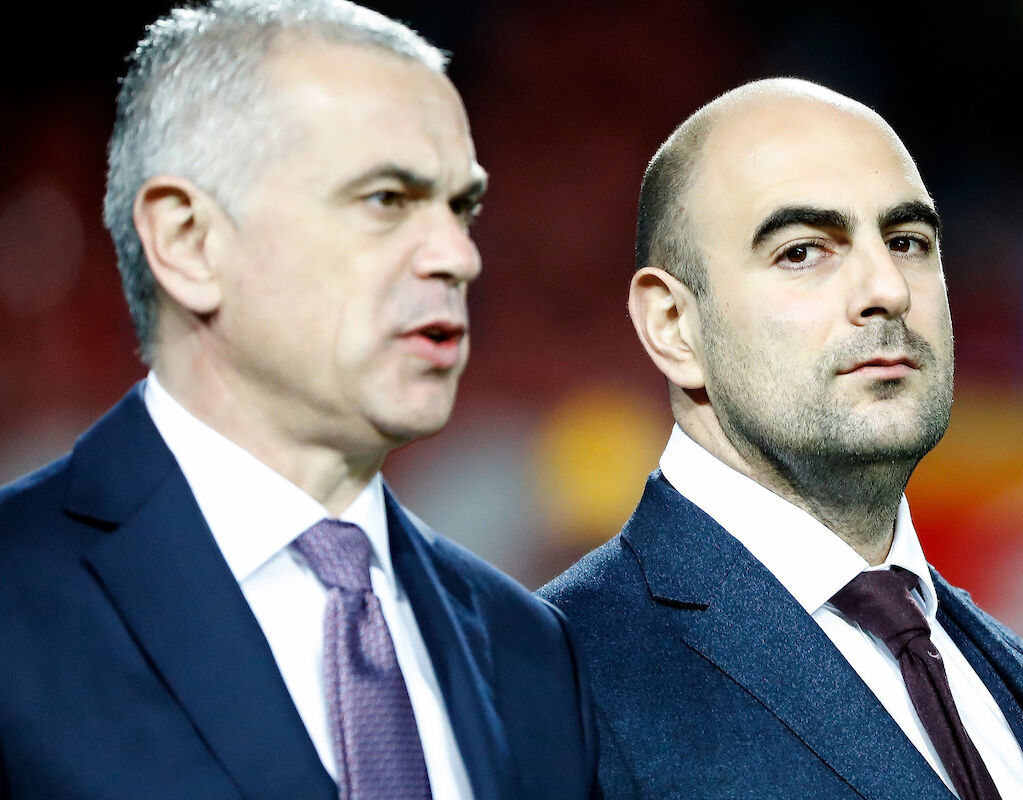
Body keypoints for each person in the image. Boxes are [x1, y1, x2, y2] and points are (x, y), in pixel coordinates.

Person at [0, 2, 596, 798]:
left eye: (461, 207)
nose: (457, 255)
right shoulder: (17, 598)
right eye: (384, 199)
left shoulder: (533, 648)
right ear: (188, 241)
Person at [540, 78, 1023, 800]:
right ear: (673, 326)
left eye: (908, 242)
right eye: (803, 251)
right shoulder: (552, 689)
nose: (888, 289)